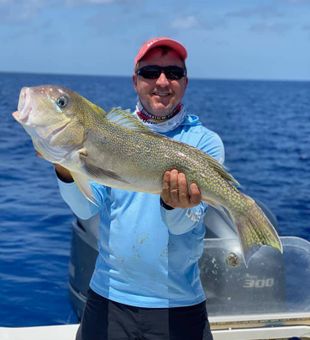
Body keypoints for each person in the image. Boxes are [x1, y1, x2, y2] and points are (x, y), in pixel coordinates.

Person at [55, 37, 224, 340]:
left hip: (178, 306)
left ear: (185, 82)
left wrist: (174, 206)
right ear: (135, 81)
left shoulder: (204, 143)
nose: (162, 81)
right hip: (108, 299)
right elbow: (86, 208)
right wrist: (65, 166)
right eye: (150, 73)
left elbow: (186, 224)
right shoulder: (109, 133)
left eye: (173, 73)